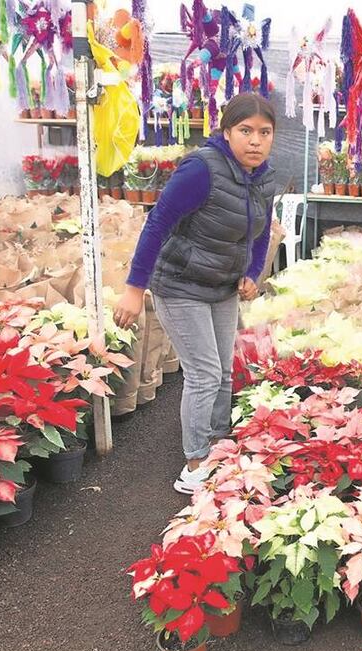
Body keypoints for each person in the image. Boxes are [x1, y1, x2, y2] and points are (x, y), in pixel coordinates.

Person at [113, 93, 277, 494]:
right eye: (245, 131)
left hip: (221, 287)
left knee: (223, 371)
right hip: (180, 286)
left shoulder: (263, 177)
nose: (255, 141)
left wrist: (253, 273)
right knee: (203, 373)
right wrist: (134, 289)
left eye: (264, 132)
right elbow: (157, 225)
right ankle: (195, 464)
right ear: (226, 131)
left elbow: (261, 230)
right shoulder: (201, 170)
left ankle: (219, 445)